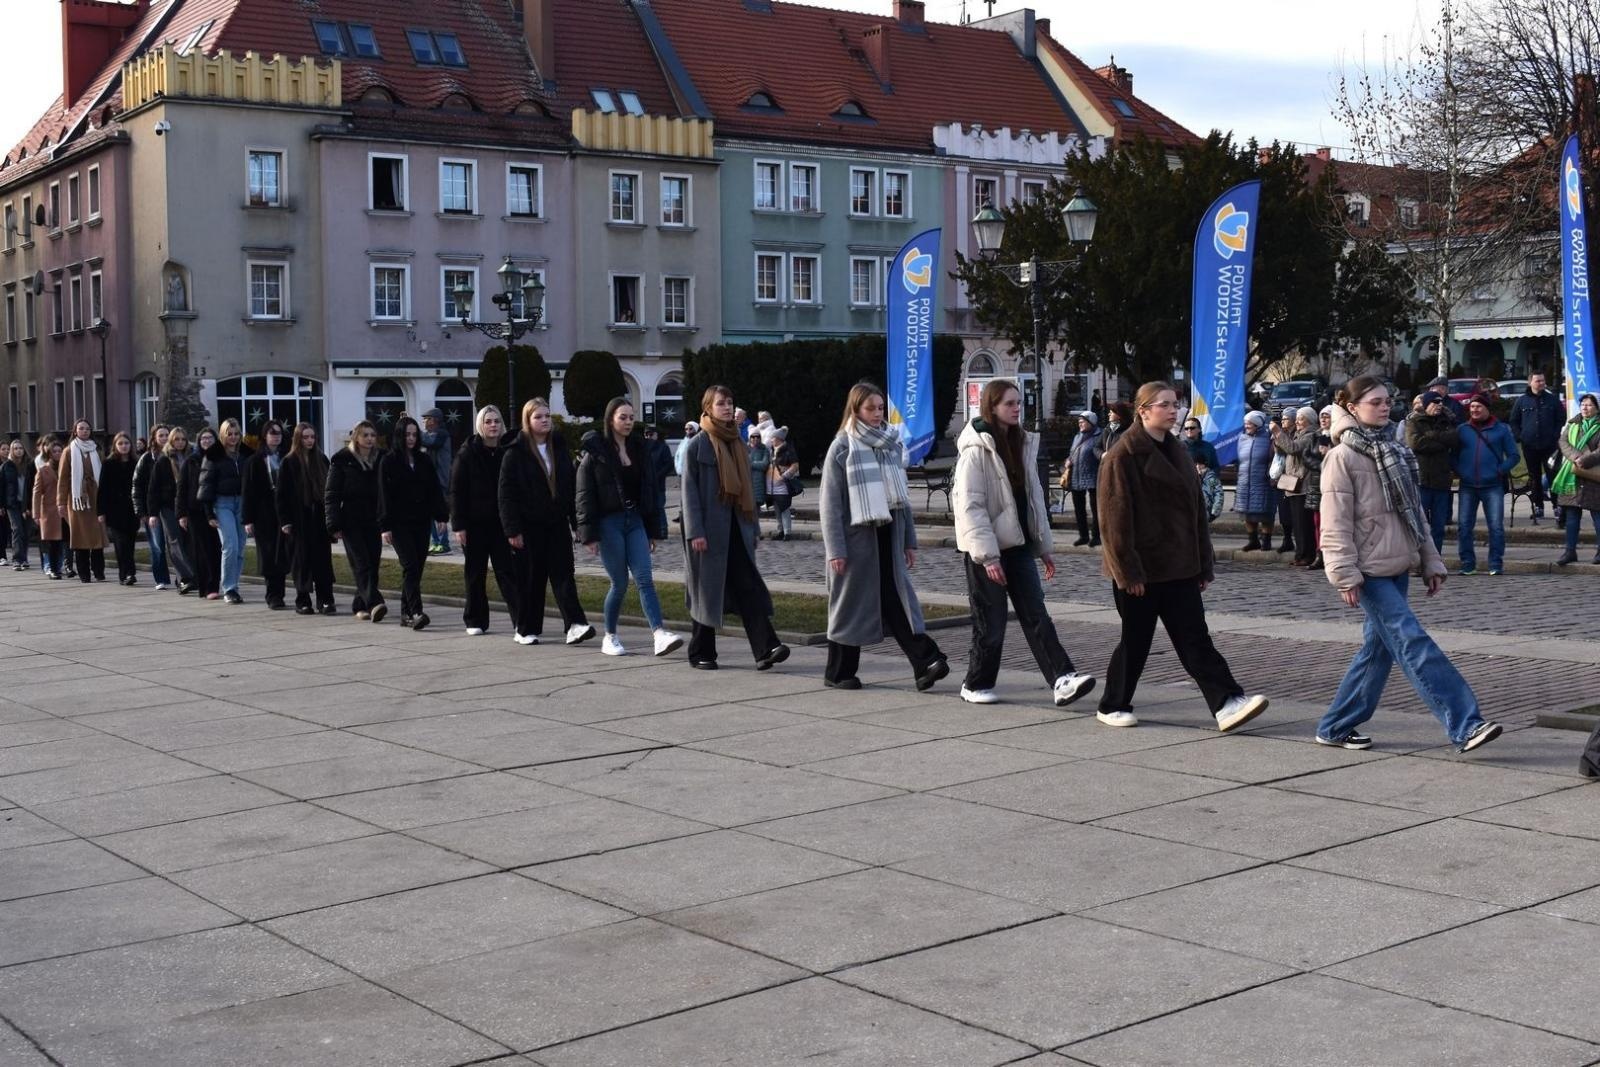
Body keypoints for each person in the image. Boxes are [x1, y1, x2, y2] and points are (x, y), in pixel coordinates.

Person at [1317, 375, 1502, 753]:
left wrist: (1430, 561)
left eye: (1388, 400)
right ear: (1352, 408)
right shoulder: (1342, 456)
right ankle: (1465, 723)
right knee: (1413, 641)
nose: (1385, 406)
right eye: (1375, 402)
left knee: (1377, 650)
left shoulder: (1394, 449)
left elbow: (1413, 513)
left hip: (1397, 563)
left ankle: (1336, 725)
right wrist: (1344, 575)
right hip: (1368, 571)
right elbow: (1334, 523)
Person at [1096, 382, 1269, 731]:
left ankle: (1226, 701)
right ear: (1143, 410)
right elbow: (1114, 522)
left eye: (1176, 404)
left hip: (1180, 568)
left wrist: (1203, 564)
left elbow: (1195, 516)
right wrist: (1128, 573)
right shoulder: (1123, 455)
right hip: (1142, 571)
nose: (1174, 411)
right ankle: (1112, 703)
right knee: (1136, 641)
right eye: (1165, 404)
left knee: (1195, 638)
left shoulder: (1178, 451)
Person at [953, 379, 1094, 708]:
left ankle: (1062, 678)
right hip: (986, 551)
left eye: (1019, 402)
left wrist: (1043, 546)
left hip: (1018, 548)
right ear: (992, 407)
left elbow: (1032, 500)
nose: (1017, 408)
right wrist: (988, 556)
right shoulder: (976, 451)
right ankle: (976, 682)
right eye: (1009, 403)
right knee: (992, 621)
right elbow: (969, 507)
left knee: (1036, 614)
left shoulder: (1022, 443)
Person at [820, 383, 948, 691]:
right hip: (855, 541)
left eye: (880, 408)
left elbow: (901, 500)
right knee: (850, 605)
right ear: (855, 410)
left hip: (887, 536)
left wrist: (908, 541)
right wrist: (835, 549)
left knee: (896, 600)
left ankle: (925, 662)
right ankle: (838, 672)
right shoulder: (842, 446)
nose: (878, 414)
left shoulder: (890, 444)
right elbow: (829, 503)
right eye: (870, 409)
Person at [681, 384, 788, 671]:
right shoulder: (698, 445)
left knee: (746, 586)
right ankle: (701, 651)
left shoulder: (738, 443)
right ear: (708, 409)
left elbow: (746, 492)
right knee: (707, 588)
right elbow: (688, 492)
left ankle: (766, 648)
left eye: (730, 403)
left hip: (737, 527)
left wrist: (753, 528)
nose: (727, 408)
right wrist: (696, 532)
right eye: (720, 404)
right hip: (708, 530)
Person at [575, 398, 683, 657]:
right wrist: (588, 534)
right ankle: (610, 636)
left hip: (635, 521)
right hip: (608, 523)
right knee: (620, 583)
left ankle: (659, 634)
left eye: (631, 417)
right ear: (610, 419)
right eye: (622, 417)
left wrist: (653, 529)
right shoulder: (595, 453)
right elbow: (583, 495)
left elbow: (650, 492)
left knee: (645, 578)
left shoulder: (640, 450)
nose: (628, 422)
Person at [498, 399, 592, 645]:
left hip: (556, 523)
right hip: (528, 526)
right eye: (539, 416)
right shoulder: (515, 453)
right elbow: (506, 494)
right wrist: (512, 530)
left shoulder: (558, 448)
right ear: (527, 421)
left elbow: (570, 487)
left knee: (564, 575)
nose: (545, 420)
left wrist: (576, 522)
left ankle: (575, 624)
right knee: (532, 579)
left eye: (547, 415)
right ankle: (526, 628)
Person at [450, 405, 519, 636]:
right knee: (475, 573)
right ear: (481, 424)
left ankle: (521, 619)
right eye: (488, 421)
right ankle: (475, 619)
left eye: (497, 421)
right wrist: (458, 525)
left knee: (507, 573)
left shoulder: (508, 451)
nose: (493, 426)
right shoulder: (467, 453)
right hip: (474, 524)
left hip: (501, 524)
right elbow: (457, 491)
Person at [379, 415, 448, 629]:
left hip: (420, 521)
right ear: (399, 435)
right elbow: (383, 495)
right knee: (409, 565)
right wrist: (385, 526)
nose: (411, 438)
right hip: (399, 523)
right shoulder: (389, 461)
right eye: (407, 434)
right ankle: (417, 611)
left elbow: (434, 489)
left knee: (416, 568)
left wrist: (441, 515)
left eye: (414, 434)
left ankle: (405, 613)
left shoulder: (423, 460)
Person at [327, 420, 387, 622]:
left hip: (373, 518)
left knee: (373, 562)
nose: (370, 439)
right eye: (365, 435)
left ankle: (359, 605)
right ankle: (375, 602)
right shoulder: (342, 460)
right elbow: (332, 494)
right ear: (356, 437)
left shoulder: (381, 458)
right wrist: (333, 524)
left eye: (372, 435)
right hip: (351, 519)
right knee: (361, 563)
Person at [1453, 392, 1519, 576]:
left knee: (1496, 526)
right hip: (1468, 485)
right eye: (1472, 407)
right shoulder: (1462, 430)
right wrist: (1460, 471)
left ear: (1487, 408)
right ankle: (1467, 564)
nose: (1474, 410)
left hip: (1493, 486)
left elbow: (1514, 456)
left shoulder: (1501, 430)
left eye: (1478, 406)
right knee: (1464, 526)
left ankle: (1495, 563)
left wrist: (1499, 470)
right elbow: (1453, 455)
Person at [276, 422, 335, 615]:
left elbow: (330, 490)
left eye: (312, 437)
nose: (309, 441)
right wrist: (285, 521)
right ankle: (303, 599)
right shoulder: (289, 461)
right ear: (298, 439)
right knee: (301, 560)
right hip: (298, 519)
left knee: (322, 561)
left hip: (318, 518)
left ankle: (325, 599)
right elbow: (281, 495)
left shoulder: (322, 459)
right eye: (305, 437)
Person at [199, 418, 252, 604]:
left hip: (242, 502)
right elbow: (205, 484)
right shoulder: (213, 455)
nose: (233, 437)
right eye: (229, 434)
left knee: (240, 547)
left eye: (236, 433)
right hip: (223, 503)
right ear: (223, 434)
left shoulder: (246, 454)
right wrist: (209, 513)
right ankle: (228, 588)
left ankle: (234, 586)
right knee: (230, 545)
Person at [241, 421, 288, 609]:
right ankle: (273, 594)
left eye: (279, 433)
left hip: (283, 512)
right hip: (263, 514)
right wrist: (248, 519)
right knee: (268, 555)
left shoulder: (287, 457)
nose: (276, 436)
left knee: (282, 554)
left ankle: (281, 592)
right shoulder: (255, 460)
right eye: (272, 433)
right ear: (264, 436)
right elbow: (248, 491)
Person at [1509, 371, 1566, 522]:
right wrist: (1520, 436)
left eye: (1542, 381)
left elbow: (1561, 418)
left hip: (1549, 446)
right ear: (1530, 383)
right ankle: (1538, 506)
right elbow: (1513, 421)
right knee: (1534, 478)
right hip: (1530, 446)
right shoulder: (1522, 401)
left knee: (1553, 476)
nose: (1541, 383)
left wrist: (1555, 435)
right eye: (1538, 381)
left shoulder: (1552, 400)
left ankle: (1556, 506)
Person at [1404, 391, 1456, 553]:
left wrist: (1432, 435)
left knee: (1438, 526)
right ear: (1426, 405)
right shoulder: (1415, 421)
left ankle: (1436, 559)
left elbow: (1454, 438)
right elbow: (1416, 443)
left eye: (1441, 403)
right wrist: (1441, 443)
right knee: (1420, 524)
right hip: (1422, 480)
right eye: (1434, 403)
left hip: (1442, 481)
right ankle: (1419, 560)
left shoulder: (1447, 420)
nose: (1439, 406)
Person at [1553, 393, 1600, 566]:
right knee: (1572, 516)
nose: (1585, 408)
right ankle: (1569, 551)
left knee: (1597, 516)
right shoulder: (1573, 423)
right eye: (1583, 405)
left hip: (1593, 476)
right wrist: (1576, 457)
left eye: (1589, 405)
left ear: (1596, 407)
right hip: (1572, 475)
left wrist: (1585, 460)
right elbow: (1563, 442)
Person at [58, 420, 106, 584]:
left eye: (87, 429)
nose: (84, 431)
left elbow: (104, 473)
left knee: (97, 535)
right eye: (81, 428)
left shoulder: (96, 449)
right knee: (81, 536)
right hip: (78, 497)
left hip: (96, 495)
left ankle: (99, 570)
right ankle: (84, 573)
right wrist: (61, 502)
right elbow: (63, 478)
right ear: (75, 431)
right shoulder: (69, 451)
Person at [149, 428, 196, 594]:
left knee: (188, 542)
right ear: (171, 441)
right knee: (174, 541)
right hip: (168, 506)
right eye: (177, 439)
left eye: (183, 439)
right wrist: (153, 513)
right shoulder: (163, 460)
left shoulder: (191, 458)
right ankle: (186, 577)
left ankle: (183, 578)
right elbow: (153, 488)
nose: (180, 442)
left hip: (187, 506)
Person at [1273, 407, 1318, 567]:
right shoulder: (1298, 434)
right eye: (1297, 418)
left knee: (1304, 523)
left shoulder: (1311, 435)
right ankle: (1300, 554)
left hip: (1303, 484)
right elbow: (1283, 449)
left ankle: (1307, 554)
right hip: (1293, 483)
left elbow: (1293, 448)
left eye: (1301, 419)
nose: (1297, 422)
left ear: (1309, 420)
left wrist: (1279, 433)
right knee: (1296, 523)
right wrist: (1277, 436)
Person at [180, 427, 220, 599]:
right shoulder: (191, 461)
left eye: (210, 438)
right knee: (201, 550)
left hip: (217, 509)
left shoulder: (221, 458)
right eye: (203, 438)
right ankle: (205, 586)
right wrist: (181, 513)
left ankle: (214, 585)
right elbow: (182, 488)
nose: (206, 441)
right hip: (195, 511)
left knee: (216, 549)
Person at [133, 425, 172, 588]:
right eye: (161, 435)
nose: (164, 438)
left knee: (175, 544)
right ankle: (161, 578)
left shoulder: (175, 456)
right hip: (152, 509)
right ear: (154, 438)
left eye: (166, 435)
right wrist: (141, 511)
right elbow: (137, 486)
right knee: (158, 545)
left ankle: (183, 577)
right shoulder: (147, 458)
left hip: (171, 507)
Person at [98, 432, 139, 585]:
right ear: (115, 446)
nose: (124, 446)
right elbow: (102, 489)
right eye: (120, 444)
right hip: (114, 510)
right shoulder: (108, 464)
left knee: (131, 543)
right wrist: (101, 511)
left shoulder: (136, 462)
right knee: (121, 544)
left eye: (126, 443)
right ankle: (127, 573)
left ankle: (128, 573)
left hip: (131, 509)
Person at [1234, 410, 1276, 550]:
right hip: (1244, 480)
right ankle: (1253, 540)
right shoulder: (1242, 438)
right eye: (1246, 423)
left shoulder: (1268, 437)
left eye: (1250, 423)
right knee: (1247, 512)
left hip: (1263, 481)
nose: (1247, 426)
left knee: (1265, 512)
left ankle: (1266, 541)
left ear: (1257, 424)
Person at [420, 407, 454, 555]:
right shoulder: (430, 434)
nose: (425, 422)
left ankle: (444, 543)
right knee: (429, 513)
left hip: (440, 480)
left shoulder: (441, 435)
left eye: (427, 419)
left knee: (439, 512)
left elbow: (430, 442)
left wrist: (413, 429)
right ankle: (435, 542)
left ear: (435, 421)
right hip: (430, 481)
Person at [1064, 411, 1101, 546]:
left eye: (1083, 421)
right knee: (1079, 508)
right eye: (1079, 422)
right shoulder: (1077, 436)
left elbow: (1099, 452)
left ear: (1091, 422)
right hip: (1076, 476)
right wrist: (1068, 460)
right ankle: (1083, 535)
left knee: (1096, 508)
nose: (1080, 424)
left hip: (1093, 475)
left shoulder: (1099, 435)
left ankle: (1096, 536)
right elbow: (1072, 452)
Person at [33, 440, 65, 579]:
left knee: (62, 542)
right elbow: (36, 492)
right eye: (54, 451)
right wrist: (36, 514)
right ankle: (53, 569)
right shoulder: (43, 470)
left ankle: (60, 567)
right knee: (51, 542)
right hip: (49, 510)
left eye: (59, 451)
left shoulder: (66, 468)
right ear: (49, 454)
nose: (57, 454)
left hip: (64, 509)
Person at [766, 426, 799, 540]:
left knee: (784, 508)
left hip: (783, 485)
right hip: (772, 485)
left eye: (773, 438)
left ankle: (787, 532)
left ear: (779, 439)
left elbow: (795, 466)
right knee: (776, 509)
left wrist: (784, 476)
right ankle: (780, 530)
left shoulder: (788, 450)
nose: (771, 440)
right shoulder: (771, 451)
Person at [3, 440, 29, 570]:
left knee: (26, 531)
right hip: (12, 504)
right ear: (12, 451)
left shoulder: (29, 465)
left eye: (20, 448)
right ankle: (17, 559)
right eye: (15, 448)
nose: (18, 450)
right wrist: (1, 505)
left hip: (26, 504)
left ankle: (24, 558)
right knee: (17, 529)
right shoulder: (6, 466)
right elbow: (1, 487)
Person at [747, 426, 771, 518]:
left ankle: (756, 531)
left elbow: (765, 465)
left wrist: (750, 464)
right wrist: (757, 464)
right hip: (747, 481)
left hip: (759, 482)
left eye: (758, 436)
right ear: (750, 438)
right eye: (753, 437)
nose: (755, 439)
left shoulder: (764, 449)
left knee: (756, 509)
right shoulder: (745, 448)